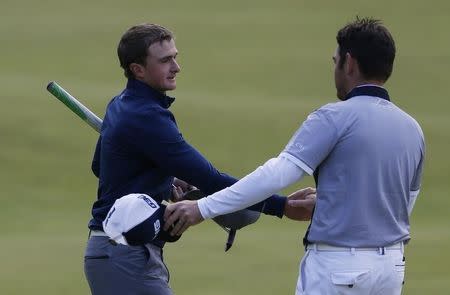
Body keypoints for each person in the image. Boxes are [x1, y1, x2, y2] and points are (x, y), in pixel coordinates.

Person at [164, 17, 425, 295]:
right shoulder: (413, 129)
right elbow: (402, 204)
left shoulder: (333, 117)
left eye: (334, 60)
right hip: (391, 269)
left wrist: (203, 207)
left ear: (348, 63)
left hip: (338, 268)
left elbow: (277, 174)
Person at [83, 23, 315, 295]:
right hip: (125, 256)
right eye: (165, 60)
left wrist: (163, 179)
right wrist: (282, 206)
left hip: (115, 253)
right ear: (138, 70)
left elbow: (101, 166)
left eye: (175, 57)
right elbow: (208, 178)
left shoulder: (120, 104)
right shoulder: (147, 116)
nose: (176, 67)